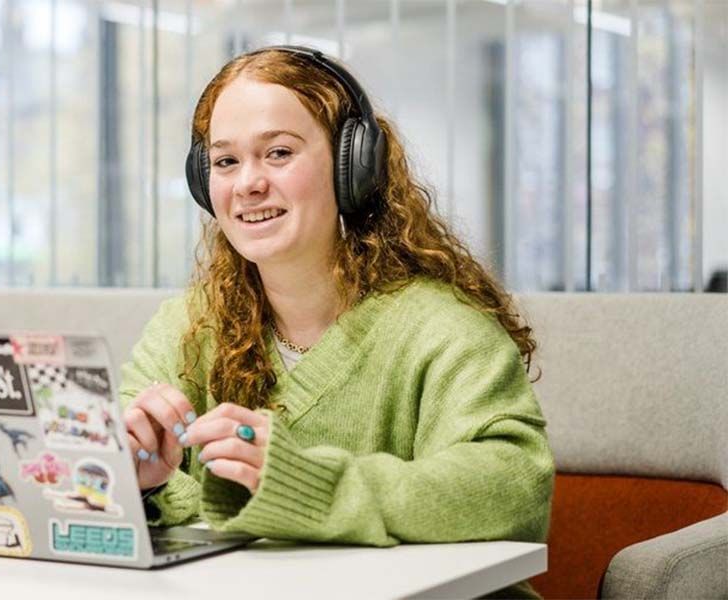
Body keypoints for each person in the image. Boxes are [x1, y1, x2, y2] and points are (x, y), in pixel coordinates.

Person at [118, 46, 553, 599]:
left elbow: (512, 488)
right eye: (226, 161)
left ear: (352, 166)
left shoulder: (444, 328)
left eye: (278, 153)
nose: (247, 183)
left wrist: (310, 485)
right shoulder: (189, 322)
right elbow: (115, 466)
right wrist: (138, 481)